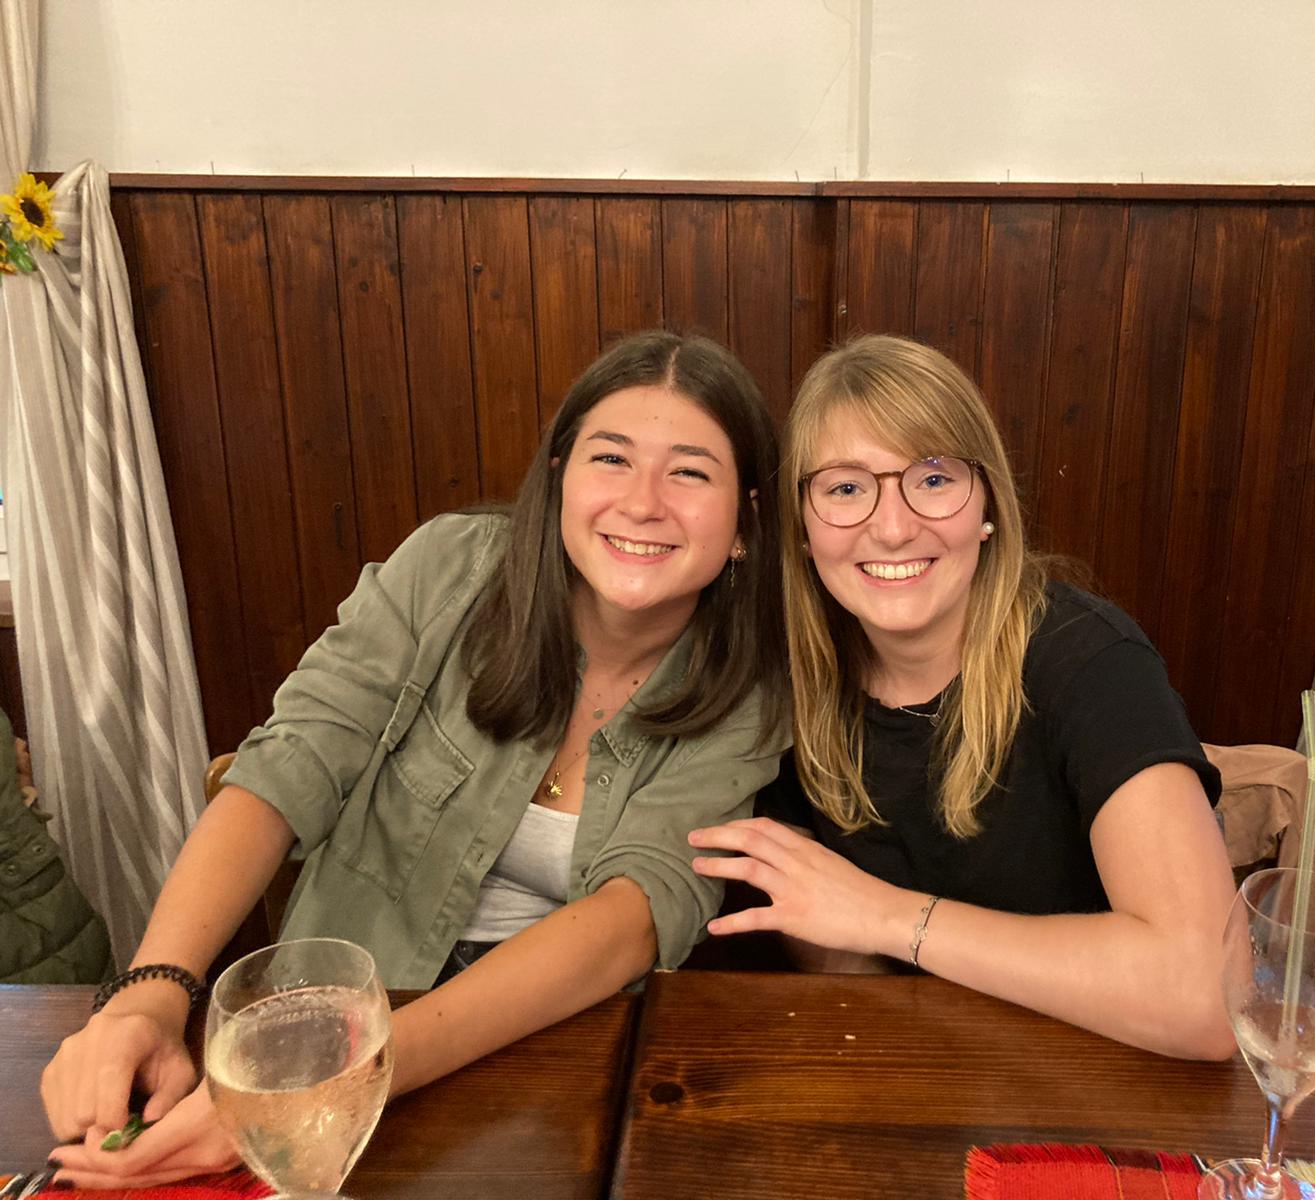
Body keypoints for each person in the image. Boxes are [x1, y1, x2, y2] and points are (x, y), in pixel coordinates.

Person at [41, 331, 788, 1188]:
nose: (643, 502)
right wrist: (151, 992)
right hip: (325, 1016)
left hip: (553, 1058)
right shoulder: (447, 570)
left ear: (744, 521)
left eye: (690, 473)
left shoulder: (753, 680)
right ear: (557, 478)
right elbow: (288, 765)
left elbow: (636, 915)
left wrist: (351, 1078)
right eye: (611, 458)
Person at [689, 334, 1237, 1061]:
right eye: (846, 488)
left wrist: (890, 917)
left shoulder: (1088, 657)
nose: (892, 527)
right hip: (916, 1068)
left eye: (934, 478)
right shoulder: (786, 675)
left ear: (988, 504)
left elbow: (1206, 998)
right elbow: (828, 945)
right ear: (803, 529)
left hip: (1096, 1078)